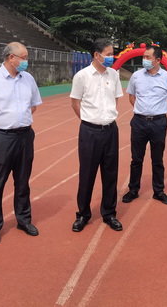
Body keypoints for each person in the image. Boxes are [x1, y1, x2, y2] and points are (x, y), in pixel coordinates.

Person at [0, 42, 42, 246]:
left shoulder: (28, 79)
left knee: (23, 181)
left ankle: (24, 220)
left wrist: (19, 120)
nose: (26, 62)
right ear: (11, 58)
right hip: (1, 137)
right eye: (24, 57)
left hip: (25, 136)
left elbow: (33, 106)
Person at [70, 38, 124, 232]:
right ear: (96, 55)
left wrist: (105, 118)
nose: (112, 57)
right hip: (89, 132)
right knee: (87, 174)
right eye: (108, 54)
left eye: (112, 54)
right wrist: (89, 120)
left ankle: (109, 214)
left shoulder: (114, 75)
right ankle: (83, 215)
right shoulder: (82, 76)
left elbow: (115, 100)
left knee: (110, 174)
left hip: (110, 131)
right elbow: (75, 103)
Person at [122, 45, 167, 206]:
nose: (144, 60)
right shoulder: (136, 76)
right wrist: (143, 110)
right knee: (136, 159)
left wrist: (157, 111)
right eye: (144, 57)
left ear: (158, 60)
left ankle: (158, 191)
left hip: (158, 123)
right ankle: (133, 189)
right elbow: (132, 97)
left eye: (148, 57)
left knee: (157, 159)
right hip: (139, 122)